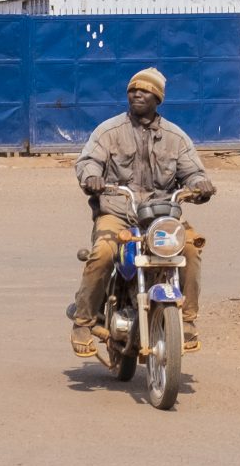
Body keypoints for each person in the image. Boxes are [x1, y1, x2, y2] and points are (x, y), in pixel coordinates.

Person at [70, 67, 214, 358]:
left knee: (189, 248)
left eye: (145, 90)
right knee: (103, 253)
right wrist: (92, 177)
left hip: (163, 215)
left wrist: (200, 185)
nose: (137, 94)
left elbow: (193, 171)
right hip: (118, 212)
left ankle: (186, 321)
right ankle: (83, 323)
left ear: (157, 98)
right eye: (133, 90)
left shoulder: (176, 137)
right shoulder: (109, 131)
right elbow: (88, 161)